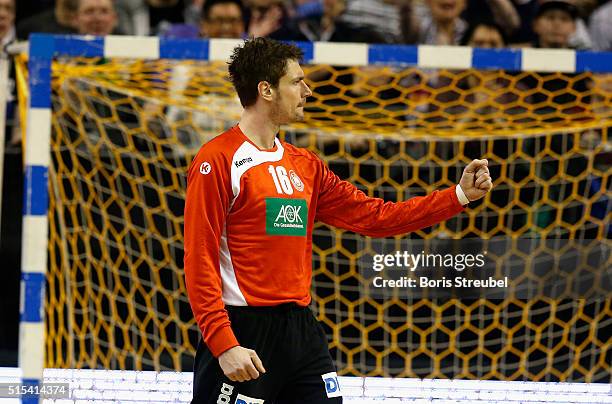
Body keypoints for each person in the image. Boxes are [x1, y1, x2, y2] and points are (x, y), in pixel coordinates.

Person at [184, 37, 493, 403]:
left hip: (300, 329)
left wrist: (457, 196)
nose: (307, 90)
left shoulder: (306, 165)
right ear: (266, 89)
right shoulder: (216, 159)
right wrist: (223, 343)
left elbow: (376, 217)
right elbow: (198, 259)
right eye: (297, 82)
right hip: (243, 328)